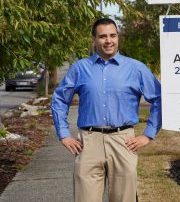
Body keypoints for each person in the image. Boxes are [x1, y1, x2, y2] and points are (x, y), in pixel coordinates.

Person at [51, 18, 162, 202]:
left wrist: (148, 134)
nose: (108, 40)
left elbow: (159, 99)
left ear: (118, 37)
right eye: (103, 36)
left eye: (113, 35)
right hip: (88, 143)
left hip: (123, 141)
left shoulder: (136, 68)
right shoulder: (80, 68)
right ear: (94, 39)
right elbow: (60, 100)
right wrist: (64, 134)